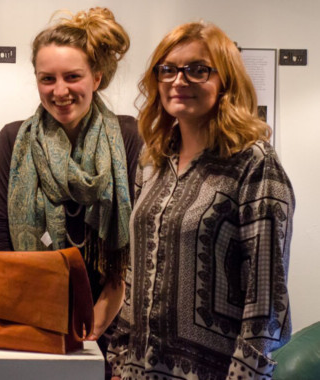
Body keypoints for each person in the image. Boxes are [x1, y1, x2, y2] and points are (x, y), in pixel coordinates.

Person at [107, 21, 294, 380]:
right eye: (168, 69)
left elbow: (267, 299)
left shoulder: (254, 163)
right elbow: (135, 272)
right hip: (138, 371)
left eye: (197, 70)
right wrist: (118, 360)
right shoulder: (152, 161)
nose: (179, 80)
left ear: (225, 81)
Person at [0, 7, 142, 377]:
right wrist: (25, 308)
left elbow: (138, 232)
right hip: (33, 315)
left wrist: (111, 302)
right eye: (47, 79)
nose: (60, 91)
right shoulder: (13, 139)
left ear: (97, 78)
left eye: (73, 77)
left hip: (116, 318)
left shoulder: (129, 135)